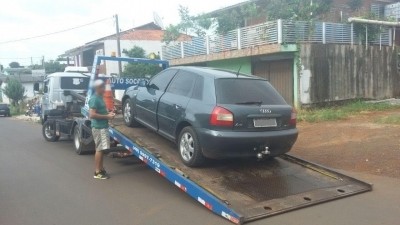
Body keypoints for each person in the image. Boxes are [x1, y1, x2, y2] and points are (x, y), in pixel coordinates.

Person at [89, 79, 115, 179]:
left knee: (101, 149)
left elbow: (99, 111)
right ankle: (97, 172)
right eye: (103, 87)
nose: (104, 89)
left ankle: (100, 169)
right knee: (99, 150)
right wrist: (107, 117)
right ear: (98, 88)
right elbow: (92, 114)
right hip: (99, 128)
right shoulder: (95, 98)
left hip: (102, 127)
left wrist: (108, 113)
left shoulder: (99, 97)